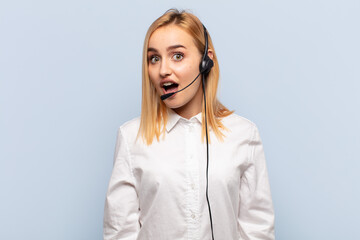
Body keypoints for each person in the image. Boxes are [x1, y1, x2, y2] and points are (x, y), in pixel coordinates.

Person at [103, 9, 275, 240]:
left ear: (206, 62)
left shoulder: (244, 134)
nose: (163, 70)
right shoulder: (131, 137)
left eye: (177, 56)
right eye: (154, 58)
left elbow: (257, 230)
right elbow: (119, 232)